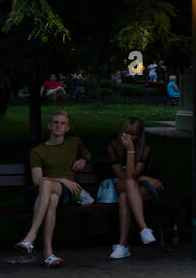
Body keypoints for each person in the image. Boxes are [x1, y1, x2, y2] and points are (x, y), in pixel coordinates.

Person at [16, 109, 92, 267]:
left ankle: (31, 237)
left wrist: (84, 160)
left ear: (67, 128)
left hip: (69, 191)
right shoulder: (38, 151)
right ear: (49, 126)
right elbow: (37, 180)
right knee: (51, 195)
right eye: (56, 123)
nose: (59, 126)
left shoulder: (74, 142)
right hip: (41, 190)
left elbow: (87, 154)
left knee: (51, 192)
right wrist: (62, 179)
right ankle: (48, 253)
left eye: (62, 123)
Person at [108, 117, 162, 259]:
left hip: (143, 189)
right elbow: (125, 177)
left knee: (124, 198)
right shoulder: (113, 147)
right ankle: (143, 228)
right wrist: (130, 151)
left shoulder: (145, 149)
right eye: (125, 133)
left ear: (139, 136)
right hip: (122, 183)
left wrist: (131, 151)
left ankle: (122, 246)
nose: (127, 137)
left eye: (132, 134)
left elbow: (133, 174)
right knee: (130, 184)